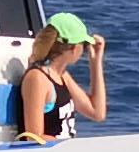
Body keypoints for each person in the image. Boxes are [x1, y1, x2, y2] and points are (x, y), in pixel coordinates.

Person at [20, 12, 107, 140]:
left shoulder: (62, 76)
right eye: (84, 45)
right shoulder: (37, 79)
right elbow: (33, 137)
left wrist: (96, 63)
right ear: (74, 48)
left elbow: (97, 112)